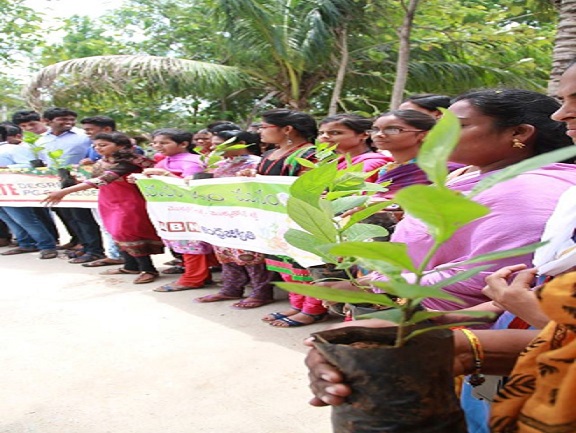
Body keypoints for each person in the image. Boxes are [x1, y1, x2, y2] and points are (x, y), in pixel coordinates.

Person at [305, 81, 576, 432]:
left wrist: (390, 288)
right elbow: (530, 291)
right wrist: (433, 334)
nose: (561, 113)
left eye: (458, 127)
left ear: (519, 133)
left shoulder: (528, 191)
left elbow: (492, 279)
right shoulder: (474, 176)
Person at [42, 132, 164, 284]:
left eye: (103, 145)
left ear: (120, 146)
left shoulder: (129, 162)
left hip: (128, 201)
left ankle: (148, 269)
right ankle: (131, 265)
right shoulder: (102, 161)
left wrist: (64, 192)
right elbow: (93, 178)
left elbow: (102, 180)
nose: (98, 148)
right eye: (96, 146)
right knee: (115, 232)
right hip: (108, 201)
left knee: (129, 233)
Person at [251, 108, 323, 321]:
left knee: (304, 262)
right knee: (283, 263)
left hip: (299, 218)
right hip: (274, 219)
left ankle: (313, 308)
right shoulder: (267, 154)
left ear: (287, 129)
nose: (260, 132)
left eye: (264, 127)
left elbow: (310, 187)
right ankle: (297, 303)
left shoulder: (309, 154)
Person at [194, 130, 276, 305]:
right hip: (221, 216)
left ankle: (261, 292)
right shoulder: (218, 164)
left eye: (219, 144)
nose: (213, 148)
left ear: (240, 143)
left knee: (251, 254)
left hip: (247, 217)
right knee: (226, 253)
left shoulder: (256, 163)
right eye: (214, 144)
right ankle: (231, 289)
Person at [137, 128, 215, 291]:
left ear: (184, 144)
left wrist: (164, 175)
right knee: (184, 242)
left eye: (164, 142)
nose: (158, 146)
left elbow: (191, 186)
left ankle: (193, 278)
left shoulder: (192, 161)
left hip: (188, 210)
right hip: (171, 210)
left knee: (192, 243)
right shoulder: (163, 160)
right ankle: (199, 275)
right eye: (156, 142)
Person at [36, 107, 105, 263]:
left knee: (84, 217)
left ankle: (95, 250)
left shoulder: (84, 136)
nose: (69, 123)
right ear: (47, 121)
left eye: (71, 119)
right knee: (70, 217)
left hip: (82, 182)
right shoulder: (41, 140)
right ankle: (84, 246)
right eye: (63, 119)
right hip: (56, 181)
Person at [0, 125, 58, 259]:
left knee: (24, 218)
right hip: (2, 191)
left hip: (12, 190)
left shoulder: (13, 149)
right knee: (9, 219)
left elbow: (30, 165)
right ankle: (25, 242)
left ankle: (47, 246)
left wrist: (7, 167)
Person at [317, 113, 391, 182]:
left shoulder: (370, 163)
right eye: (321, 133)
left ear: (364, 135)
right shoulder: (337, 161)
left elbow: (359, 194)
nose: (324, 136)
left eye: (335, 133)